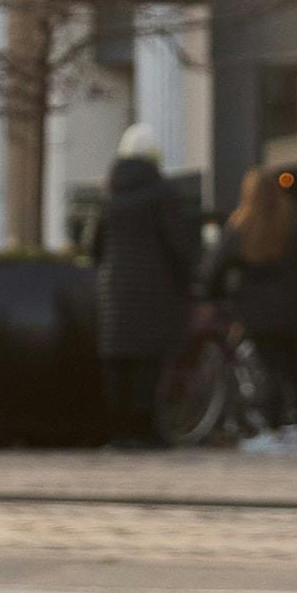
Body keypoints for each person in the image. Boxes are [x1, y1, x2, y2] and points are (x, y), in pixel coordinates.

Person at [85, 138, 198, 448]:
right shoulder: (163, 193)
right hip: (153, 291)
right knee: (148, 365)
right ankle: (147, 432)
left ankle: (120, 433)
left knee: (118, 366)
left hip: (114, 294)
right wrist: (188, 280)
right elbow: (178, 246)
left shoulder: (107, 194)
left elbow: (94, 247)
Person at [218, 169, 297, 450]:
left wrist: (222, 295)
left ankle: (272, 428)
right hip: (295, 307)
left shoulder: (242, 224)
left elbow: (218, 264)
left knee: (269, 367)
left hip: (258, 309)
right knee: (295, 367)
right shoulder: (291, 222)